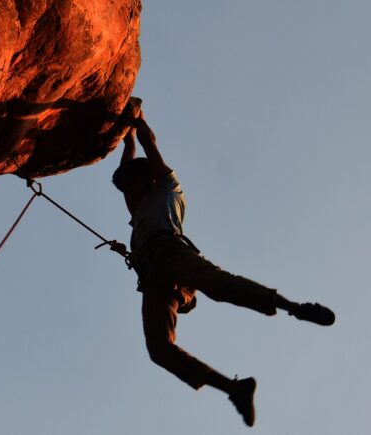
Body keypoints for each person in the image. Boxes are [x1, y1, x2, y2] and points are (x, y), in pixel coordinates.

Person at [110, 98, 335, 427]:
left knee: (218, 285)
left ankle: (294, 307)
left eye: (132, 183)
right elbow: (129, 156)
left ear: (147, 179)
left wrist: (138, 121)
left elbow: (148, 145)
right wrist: (126, 134)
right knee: (159, 349)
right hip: (154, 278)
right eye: (126, 186)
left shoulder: (168, 188)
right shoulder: (138, 205)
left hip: (172, 254)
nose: (128, 191)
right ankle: (234, 388)